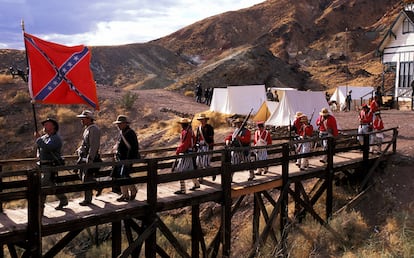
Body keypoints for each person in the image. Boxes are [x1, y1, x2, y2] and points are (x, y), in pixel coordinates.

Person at [35, 118, 68, 211]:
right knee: (51, 184)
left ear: (53, 126)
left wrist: (38, 139)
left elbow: (47, 148)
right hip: (43, 165)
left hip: (51, 165)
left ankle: (40, 205)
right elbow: (40, 149)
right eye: (44, 124)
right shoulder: (44, 137)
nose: (44, 126)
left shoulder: (56, 138)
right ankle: (63, 199)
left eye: (47, 124)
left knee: (43, 185)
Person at [75, 110, 102, 206]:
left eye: (83, 118)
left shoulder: (94, 129)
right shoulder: (87, 129)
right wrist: (79, 150)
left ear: (89, 119)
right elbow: (84, 144)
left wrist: (89, 159)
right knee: (82, 176)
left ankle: (88, 199)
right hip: (85, 157)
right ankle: (98, 186)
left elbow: (93, 146)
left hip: (90, 158)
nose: (81, 120)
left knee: (86, 178)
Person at [112, 115, 139, 202]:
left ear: (125, 124)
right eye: (118, 124)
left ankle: (133, 190)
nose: (118, 125)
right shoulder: (122, 132)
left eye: (120, 124)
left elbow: (134, 147)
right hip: (121, 158)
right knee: (121, 176)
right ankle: (125, 194)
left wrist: (129, 159)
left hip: (127, 158)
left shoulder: (130, 133)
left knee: (124, 175)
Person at [174, 117, 199, 194]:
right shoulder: (189, 132)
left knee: (180, 170)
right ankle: (196, 184)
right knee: (190, 170)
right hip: (189, 152)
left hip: (186, 153)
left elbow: (185, 144)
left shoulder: (187, 132)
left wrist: (178, 150)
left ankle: (183, 189)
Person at [195, 113, 215, 180]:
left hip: (206, 146)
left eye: (202, 119)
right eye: (200, 120)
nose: (201, 121)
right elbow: (197, 137)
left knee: (205, 164)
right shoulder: (199, 128)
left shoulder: (209, 127)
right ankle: (200, 178)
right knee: (198, 163)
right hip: (200, 147)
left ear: (205, 120)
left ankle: (213, 172)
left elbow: (210, 138)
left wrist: (209, 146)